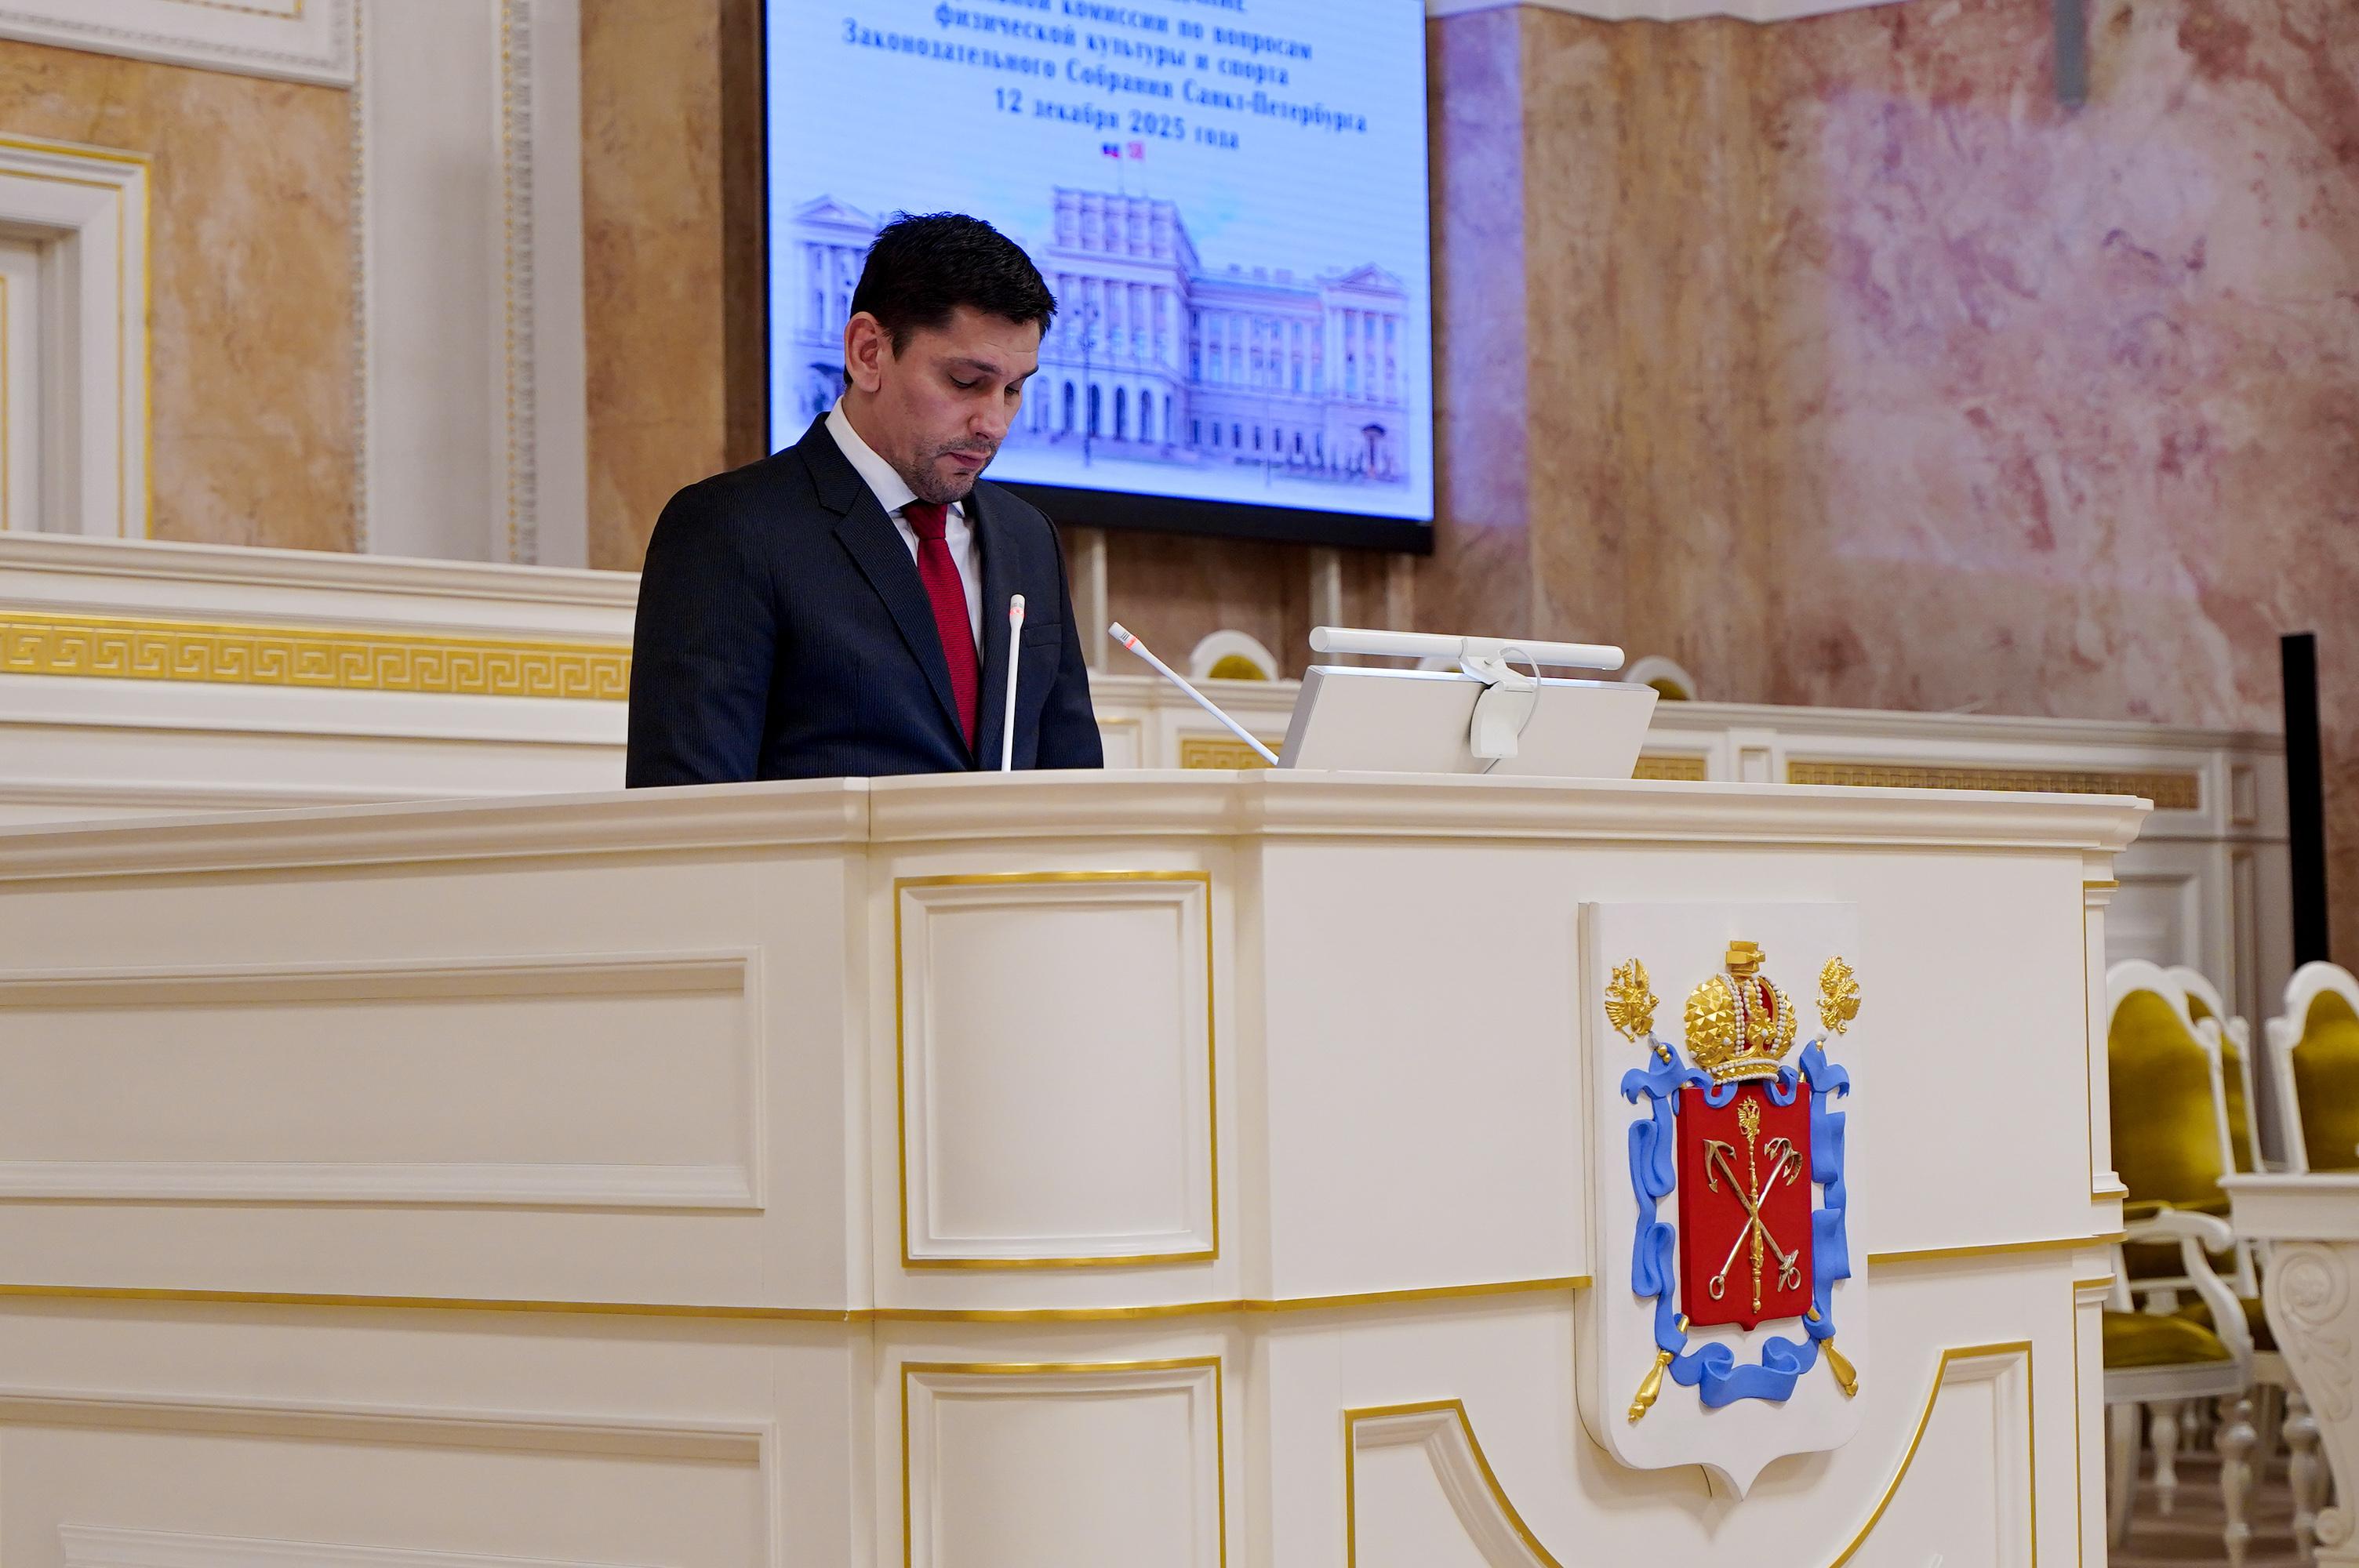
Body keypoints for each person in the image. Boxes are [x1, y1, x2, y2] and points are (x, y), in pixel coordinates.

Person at [626, 212, 1102, 786]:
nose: (994, 423)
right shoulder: (729, 528)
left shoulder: (1028, 537)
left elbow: (1074, 788)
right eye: (965, 382)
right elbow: (690, 805)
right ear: (868, 352)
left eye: (1014, 389)